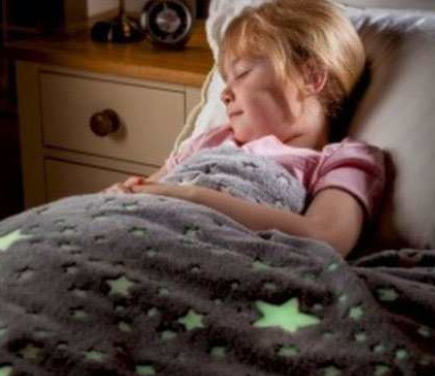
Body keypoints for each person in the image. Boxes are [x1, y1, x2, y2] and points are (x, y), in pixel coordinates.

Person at [103, 0, 387, 258]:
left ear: (311, 76)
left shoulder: (342, 159)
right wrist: (120, 193)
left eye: (241, 73)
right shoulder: (211, 140)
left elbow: (326, 237)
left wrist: (190, 196)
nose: (224, 94)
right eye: (226, 79)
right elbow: (147, 190)